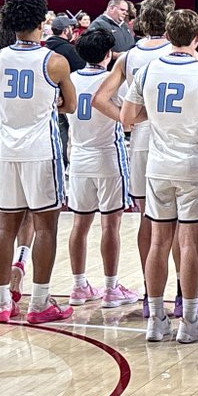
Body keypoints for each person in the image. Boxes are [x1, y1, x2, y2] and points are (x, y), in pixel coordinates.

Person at [122, 9, 198, 344]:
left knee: (158, 242)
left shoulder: (147, 70)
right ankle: (190, 321)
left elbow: (127, 117)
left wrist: (157, 117)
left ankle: (156, 320)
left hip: (157, 166)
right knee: (189, 243)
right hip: (192, 166)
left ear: (168, 36)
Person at [0, 0, 78, 324]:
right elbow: (70, 105)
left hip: (8, 150)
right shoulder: (54, 61)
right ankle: (39, 303)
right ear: (42, 22)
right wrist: (50, 103)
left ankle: (1, 303)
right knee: (45, 227)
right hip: (41, 150)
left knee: (5, 226)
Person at [92, 0, 175, 316]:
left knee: (147, 219)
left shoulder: (128, 57)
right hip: (175, 141)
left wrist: (129, 120)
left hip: (141, 142)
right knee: (181, 223)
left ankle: (150, 293)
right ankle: (185, 295)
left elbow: (100, 98)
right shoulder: (180, 52)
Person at [65, 28, 138, 309]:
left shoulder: (71, 79)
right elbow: (129, 119)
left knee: (79, 224)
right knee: (111, 224)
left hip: (78, 158)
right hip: (108, 156)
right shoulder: (113, 82)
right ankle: (110, 287)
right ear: (109, 54)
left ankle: (78, 285)